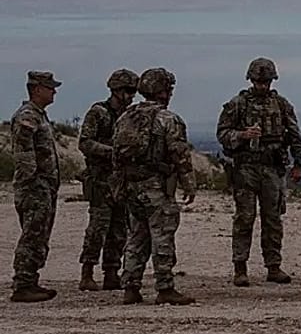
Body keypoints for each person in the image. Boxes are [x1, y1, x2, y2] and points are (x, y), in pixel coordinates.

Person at [216, 57, 301, 287]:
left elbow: (294, 135)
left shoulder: (282, 105)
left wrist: (298, 164)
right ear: (251, 80)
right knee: (244, 218)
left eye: (266, 81)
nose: (262, 86)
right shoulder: (238, 104)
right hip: (245, 168)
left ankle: (273, 266)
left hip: (272, 169)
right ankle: (240, 267)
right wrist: (242, 135)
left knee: (273, 219)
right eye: (258, 81)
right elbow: (222, 133)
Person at [112, 67, 196, 305]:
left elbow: (116, 156)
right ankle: (165, 287)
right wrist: (189, 185)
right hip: (157, 188)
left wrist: (119, 185)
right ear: (164, 91)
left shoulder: (126, 117)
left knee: (136, 237)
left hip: (132, 186)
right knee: (162, 236)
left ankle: (131, 286)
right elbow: (180, 155)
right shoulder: (168, 119)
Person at [77, 68, 138, 291]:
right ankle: (87, 272)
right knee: (97, 228)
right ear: (116, 90)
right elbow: (85, 143)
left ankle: (111, 272)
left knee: (119, 229)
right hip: (100, 179)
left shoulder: (129, 115)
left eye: (133, 91)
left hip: (120, 181)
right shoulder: (98, 113)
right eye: (127, 91)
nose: (131, 95)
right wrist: (111, 152)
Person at [10, 71, 62, 303]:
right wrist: (32, 183)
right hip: (35, 187)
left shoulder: (39, 116)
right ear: (37, 89)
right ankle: (23, 284)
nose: (54, 91)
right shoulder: (28, 116)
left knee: (39, 234)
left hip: (43, 186)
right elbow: (24, 155)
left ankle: (30, 280)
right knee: (32, 234)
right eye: (50, 87)